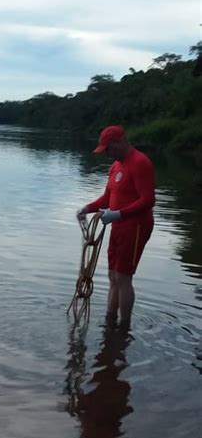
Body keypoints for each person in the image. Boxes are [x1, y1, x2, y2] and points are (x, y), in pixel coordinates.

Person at [77, 125, 155, 328]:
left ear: (119, 142)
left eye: (109, 149)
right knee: (112, 275)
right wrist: (87, 208)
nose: (107, 154)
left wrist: (118, 214)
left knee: (123, 276)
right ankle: (109, 320)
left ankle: (124, 325)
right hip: (117, 225)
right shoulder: (115, 166)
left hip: (136, 226)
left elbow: (148, 200)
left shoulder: (140, 163)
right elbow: (107, 198)